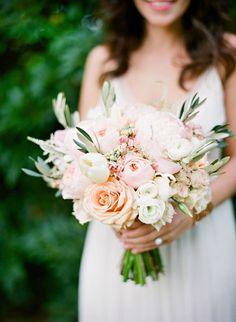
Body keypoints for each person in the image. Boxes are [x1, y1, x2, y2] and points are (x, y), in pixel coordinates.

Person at [78, 1, 236, 321]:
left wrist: (192, 212)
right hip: (117, 246)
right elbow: (82, 161)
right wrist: (116, 209)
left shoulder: (227, 53)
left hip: (202, 245)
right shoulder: (102, 61)